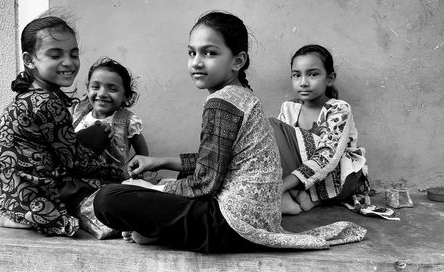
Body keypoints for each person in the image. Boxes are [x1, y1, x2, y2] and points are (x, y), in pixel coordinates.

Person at [92, 11, 366, 253]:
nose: (197, 62)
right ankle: (158, 230)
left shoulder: (222, 101)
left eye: (209, 53)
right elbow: (215, 161)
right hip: (253, 219)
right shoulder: (240, 95)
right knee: (169, 182)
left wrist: (155, 187)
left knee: (108, 199)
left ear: (237, 61)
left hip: (231, 225)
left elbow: (205, 183)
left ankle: (161, 230)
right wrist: (159, 163)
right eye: (192, 52)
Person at [0, 15, 124, 236]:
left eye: (73, 54)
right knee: (113, 191)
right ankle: (28, 216)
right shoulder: (48, 102)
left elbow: (64, 147)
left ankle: (14, 210)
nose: (69, 62)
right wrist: (118, 172)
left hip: (11, 191)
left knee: (97, 132)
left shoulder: (30, 94)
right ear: (29, 59)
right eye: (55, 55)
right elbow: (74, 161)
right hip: (33, 196)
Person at [270, 44, 369, 215]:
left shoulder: (339, 109)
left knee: (272, 125)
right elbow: (278, 152)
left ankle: (295, 195)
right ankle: (300, 197)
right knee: (268, 134)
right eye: (296, 75)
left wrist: (280, 187)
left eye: (313, 74)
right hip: (304, 178)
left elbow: (328, 158)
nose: (303, 82)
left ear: (329, 79)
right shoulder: (289, 108)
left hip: (340, 177)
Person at [72, 57, 149, 179]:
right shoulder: (78, 113)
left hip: (113, 180)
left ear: (126, 96)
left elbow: (143, 153)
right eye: (95, 87)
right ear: (87, 89)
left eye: (112, 89)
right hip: (81, 178)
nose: (102, 94)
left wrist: (132, 173)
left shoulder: (128, 120)